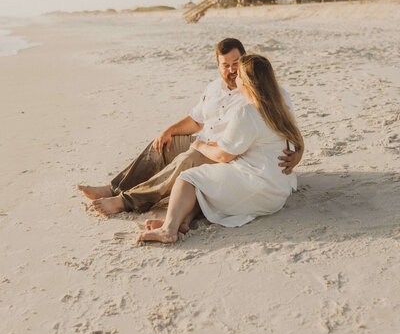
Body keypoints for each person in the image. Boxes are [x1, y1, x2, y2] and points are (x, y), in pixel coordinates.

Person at [78, 39, 302, 215]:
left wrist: (298, 153)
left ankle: (126, 201)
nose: (232, 70)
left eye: (236, 64)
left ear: (244, 61)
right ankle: (115, 187)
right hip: (205, 140)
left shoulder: (265, 92)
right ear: (218, 65)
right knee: (164, 144)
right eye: (226, 65)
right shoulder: (214, 87)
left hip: (230, 152)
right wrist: (169, 131)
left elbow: (286, 126)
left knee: (186, 161)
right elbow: (196, 121)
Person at [136, 54, 304, 243]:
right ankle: (182, 221)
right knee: (209, 183)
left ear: (246, 82)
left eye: (239, 75)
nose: (235, 77)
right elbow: (296, 140)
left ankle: (168, 229)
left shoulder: (247, 112)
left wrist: (199, 145)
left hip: (259, 187)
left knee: (188, 178)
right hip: (278, 190)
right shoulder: (280, 108)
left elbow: (224, 156)